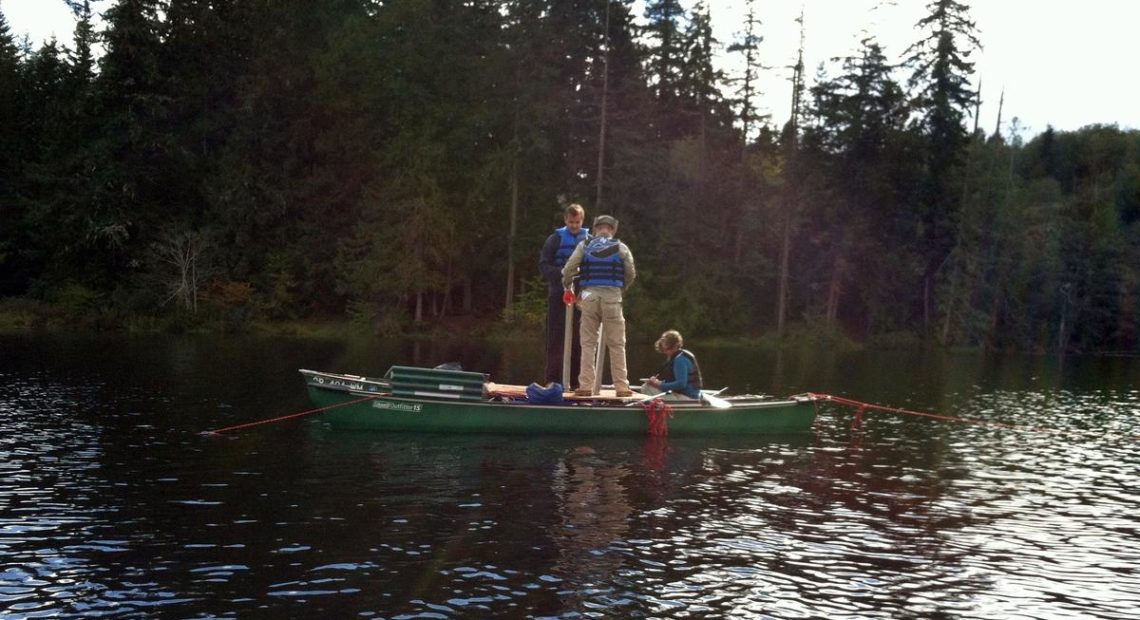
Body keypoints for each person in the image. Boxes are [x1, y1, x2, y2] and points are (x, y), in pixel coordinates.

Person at [562, 215, 636, 397]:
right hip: (613, 296)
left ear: (595, 229)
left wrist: (568, 285)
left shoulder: (584, 245)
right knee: (617, 344)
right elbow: (631, 272)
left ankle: (586, 386)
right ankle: (621, 387)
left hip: (589, 295)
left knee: (588, 343)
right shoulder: (620, 247)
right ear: (613, 230)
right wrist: (621, 288)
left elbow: (569, 268)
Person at [539, 204, 590, 387]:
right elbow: (544, 265)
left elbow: (592, 268)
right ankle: (552, 381)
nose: (574, 226)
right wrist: (563, 273)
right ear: (565, 220)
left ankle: (576, 382)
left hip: (581, 296)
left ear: (582, 221)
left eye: (577, 222)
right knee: (556, 338)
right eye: (571, 222)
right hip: (558, 293)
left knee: (579, 339)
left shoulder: (589, 241)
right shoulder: (554, 240)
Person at [644, 330, 703, 399]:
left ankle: (654, 408)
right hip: (687, 395)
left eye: (667, 349)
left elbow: (681, 384)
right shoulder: (681, 356)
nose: (665, 352)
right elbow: (675, 380)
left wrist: (660, 385)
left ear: (675, 347)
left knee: (646, 387)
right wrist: (660, 382)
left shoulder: (680, 360)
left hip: (688, 397)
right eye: (663, 350)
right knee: (649, 386)